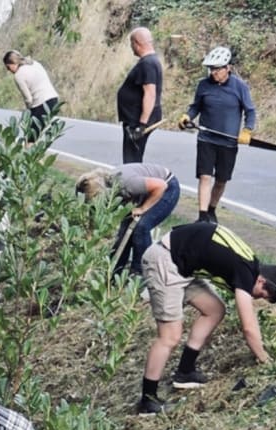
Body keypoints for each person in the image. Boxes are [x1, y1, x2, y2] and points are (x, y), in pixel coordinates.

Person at [137, 222, 276, 415]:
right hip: (166, 261)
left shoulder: (247, 263)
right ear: (261, 280)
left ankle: (185, 372)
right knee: (169, 336)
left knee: (215, 310)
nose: (256, 299)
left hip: (183, 265)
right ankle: (147, 401)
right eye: (260, 295)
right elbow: (248, 327)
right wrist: (264, 359)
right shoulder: (245, 271)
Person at [177, 46, 256, 223]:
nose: (213, 73)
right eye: (211, 69)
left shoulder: (240, 87)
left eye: (217, 69)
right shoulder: (203, 85)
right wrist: (187, 116)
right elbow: (196, 106)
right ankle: (202, 215)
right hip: (206, 139)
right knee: (205, 176)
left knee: (221, 180)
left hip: (228, 142)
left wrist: (247, 130)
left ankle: (211, 209)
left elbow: (250, 111)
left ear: (228, 68)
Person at [76, 163, 180, 279]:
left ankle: (139, 273)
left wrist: (143, 208)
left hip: (167, 188)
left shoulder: (126, 183)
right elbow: (93, 220)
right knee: (123, 234)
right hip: (145, 192)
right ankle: (113, 275)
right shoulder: (103, 190)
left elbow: (160, 186)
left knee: (141, 227)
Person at [116, 27, 163, 163]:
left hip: (137, 121)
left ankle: (132, 183)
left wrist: (141, 125)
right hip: (135, 119)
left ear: (136, 43)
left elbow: (150, 94)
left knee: (132, 160)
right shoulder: (151, 61)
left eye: (131, 44)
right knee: (133, 157)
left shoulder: (148, 63)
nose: (131, 47)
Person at [2, 51, 60, 143]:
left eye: (8, 67)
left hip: (41, 104)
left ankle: (29, 155)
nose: (9, 70)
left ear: (13, 63)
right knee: (42, 134)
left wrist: (28, 113)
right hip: (54, 99)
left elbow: (28, 99)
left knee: (31, 138)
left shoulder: (18, 75)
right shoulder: (35, 64)